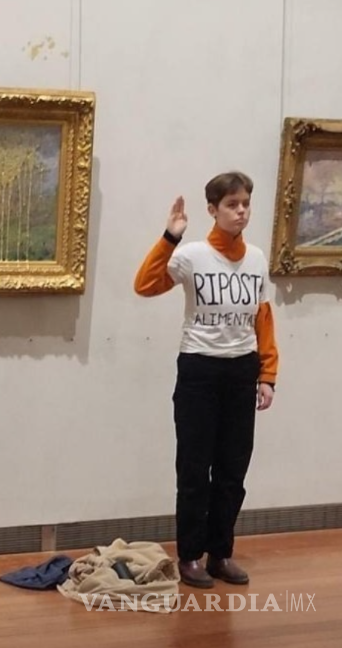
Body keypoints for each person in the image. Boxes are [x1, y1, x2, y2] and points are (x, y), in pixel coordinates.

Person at [133, 171, 278, 588]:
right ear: (213, 210)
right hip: (199, 369)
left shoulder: (256, 258)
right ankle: (190, 556)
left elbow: (263, 319)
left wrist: (267, 374)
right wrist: (170, 237)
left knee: (233, 470)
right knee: (195, 469)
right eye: (232, 205)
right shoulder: (193, 255)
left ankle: (220, 554)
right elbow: (145, 285)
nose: (241, 211)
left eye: (246, 204)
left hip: (241, 370)